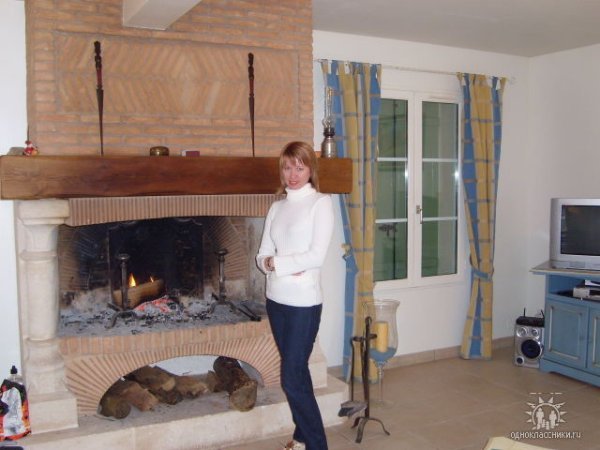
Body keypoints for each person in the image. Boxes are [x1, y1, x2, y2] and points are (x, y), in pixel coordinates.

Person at [256, 141, 334, 450]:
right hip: (276, 301)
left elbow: (316, 256)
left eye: (300, 167)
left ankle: (317, 445)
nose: (293, 174)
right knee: (297, 372)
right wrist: (278, 265)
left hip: (304, 304)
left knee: (290, 377)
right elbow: (262, 255)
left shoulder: (320, 203)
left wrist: (277, 264)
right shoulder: (277, 208)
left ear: (310, 169)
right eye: (288, 167)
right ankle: (302, 437)